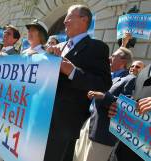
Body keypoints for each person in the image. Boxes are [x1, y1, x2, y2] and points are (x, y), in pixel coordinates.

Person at [44, 4, 112, 161]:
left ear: (84, 20)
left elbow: (103, 85)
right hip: (42, 117)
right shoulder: (57, 47)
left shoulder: (97, 47)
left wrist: (72, 72)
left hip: (65, 125)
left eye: (69, 17)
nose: (65, 22)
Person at [73, 46, 134, 161]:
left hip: (102, 133)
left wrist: (104, 96)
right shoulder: (105, 76)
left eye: (114, 55)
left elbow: (127, 106)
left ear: (123, 61)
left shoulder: (130, 79)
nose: (110, 58)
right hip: (88, 123)